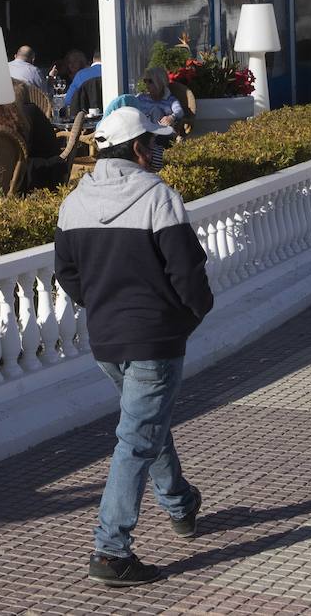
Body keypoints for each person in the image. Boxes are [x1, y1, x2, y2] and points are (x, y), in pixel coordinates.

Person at [53, 107, 213, 586]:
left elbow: (67, 274)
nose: (159, 152)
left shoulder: (73, 203)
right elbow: (188, 272)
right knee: (136, 438)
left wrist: (100, 305)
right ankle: (110, 550)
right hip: (155, 338)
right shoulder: (159, 198)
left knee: (145, 424)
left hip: (106, 341)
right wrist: (190, 316)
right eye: (155, 144)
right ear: (139, 149)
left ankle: (181, 504)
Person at [12, 81, 65, 189]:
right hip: (49, 165)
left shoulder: (25, 113)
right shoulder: (30, 111)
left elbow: (24, 147)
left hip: (40, 170)